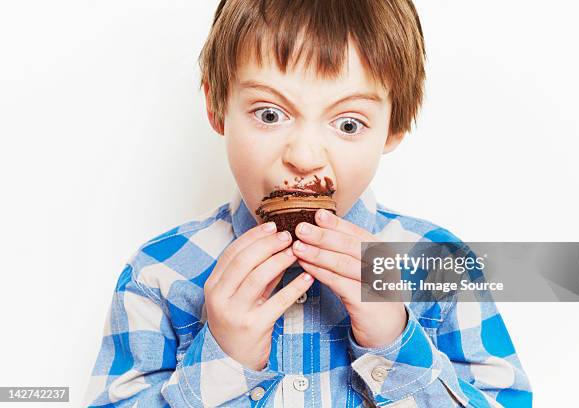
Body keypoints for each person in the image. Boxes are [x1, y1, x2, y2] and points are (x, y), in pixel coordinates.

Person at [83, 0, 532, 406]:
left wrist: (395, 342)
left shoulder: (440, 265)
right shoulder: (158, 275)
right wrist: (224, 363)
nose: (303, 156)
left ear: (393, 130)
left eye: (350, 124)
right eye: (270, 114)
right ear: (217, 106)